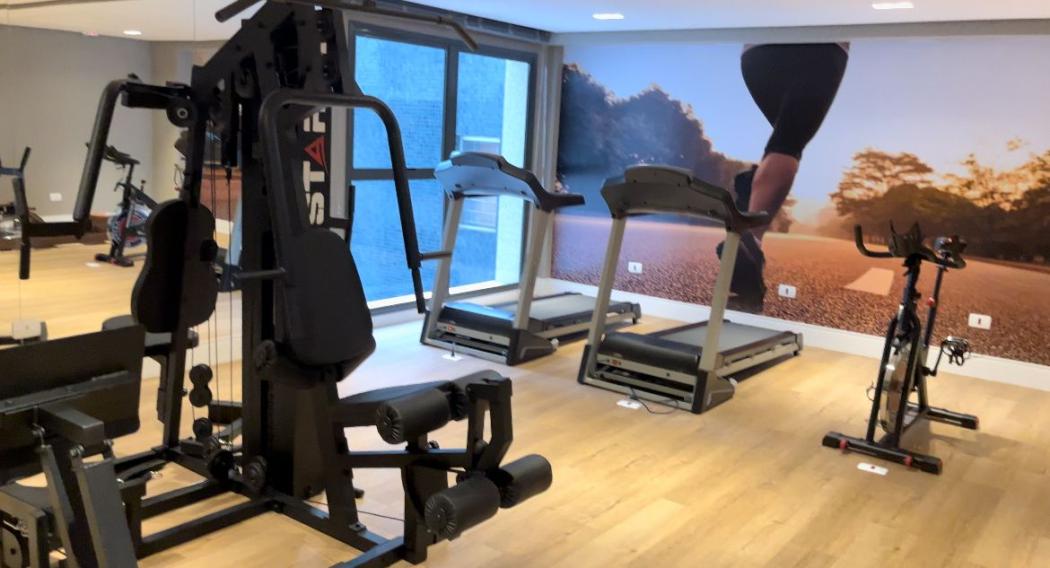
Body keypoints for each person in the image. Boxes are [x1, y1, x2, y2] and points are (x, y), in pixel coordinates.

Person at [725, 42, 849, 310]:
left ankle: (751, 191)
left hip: (755, 57)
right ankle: (749, 243)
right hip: (820, 49)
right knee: (788, 144)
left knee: (785, 136)